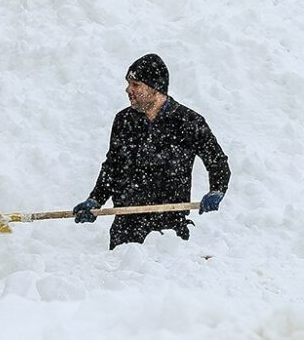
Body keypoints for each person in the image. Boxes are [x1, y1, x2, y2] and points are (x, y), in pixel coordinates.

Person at [73, 53, 231, 249]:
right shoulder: (124, 121)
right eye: (129, 84)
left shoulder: (188, 122)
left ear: (155, 88)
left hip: (169, 231)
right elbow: (112, 167)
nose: (128, 89)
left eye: (136, 84)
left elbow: (217, 161)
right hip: (126, 227)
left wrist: (216, 189)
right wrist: (95, 199)